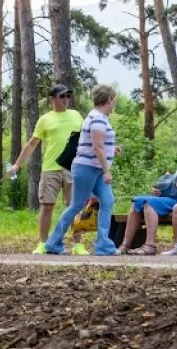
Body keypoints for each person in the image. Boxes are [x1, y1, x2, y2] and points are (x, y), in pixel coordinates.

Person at [42, 85, 120, 256]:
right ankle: (53, 243)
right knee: (77, 204)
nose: (114, 103)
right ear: (108, 100)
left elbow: (99, 143)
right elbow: (97, 146)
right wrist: (107, 171)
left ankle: (103, 245)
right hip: (87, 168)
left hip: (96, 168)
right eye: (114, 100)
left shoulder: (98, 117)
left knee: (107, 201)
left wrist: (112, 148)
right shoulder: (98, 118)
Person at [9, 84, 85, 254]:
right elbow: (32, 144)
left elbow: (90, 135)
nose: (66, 99)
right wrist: (17, 164)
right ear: (52, 99)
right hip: (51, 168)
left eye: (68, 96)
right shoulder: (45, 119)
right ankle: (43, 243)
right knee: (47, 206)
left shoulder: (76, 115)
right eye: (62, 96)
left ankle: (78, 245)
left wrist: (109, 146)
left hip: (73, 167)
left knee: (74, 206)